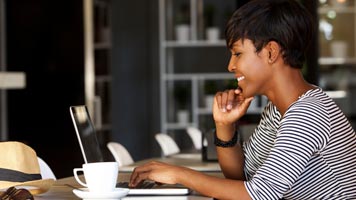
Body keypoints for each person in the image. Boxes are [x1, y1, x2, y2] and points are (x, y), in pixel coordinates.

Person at [129, 0, 356, 199]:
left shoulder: (308, 113)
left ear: (271, 52)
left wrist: (178, 173)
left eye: (237, 53)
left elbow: (258, 194)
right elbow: (241, 177)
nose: (231, 66)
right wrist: (224, 126)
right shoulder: (278, 110)